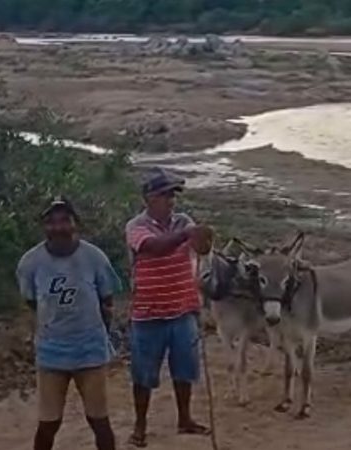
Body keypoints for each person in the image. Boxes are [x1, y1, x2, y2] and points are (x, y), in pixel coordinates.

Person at [16, 196, 120, 450]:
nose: (58, 227)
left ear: (76, 224)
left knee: (99, 420)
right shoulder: (30, 263)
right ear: (44, 227)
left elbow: (107, 301)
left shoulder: (95, 258)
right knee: (48, 423)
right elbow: (32, 301)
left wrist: (99, 337)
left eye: (65, 220)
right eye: (51, 222)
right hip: (52, 353)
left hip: (90, 351)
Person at [125, 167, 212, 448]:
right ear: (149, 198)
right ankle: (140, 425)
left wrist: (203, 237)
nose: (171, 200)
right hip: (148, 313)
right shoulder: (135, 226)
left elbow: (201, 248)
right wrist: (189, 234)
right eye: (165, 195)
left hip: (183, 309)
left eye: (172, 195)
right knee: (143, 375)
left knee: (184, 370)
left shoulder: (183, 221)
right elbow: (155, 248)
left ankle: (184, 418)